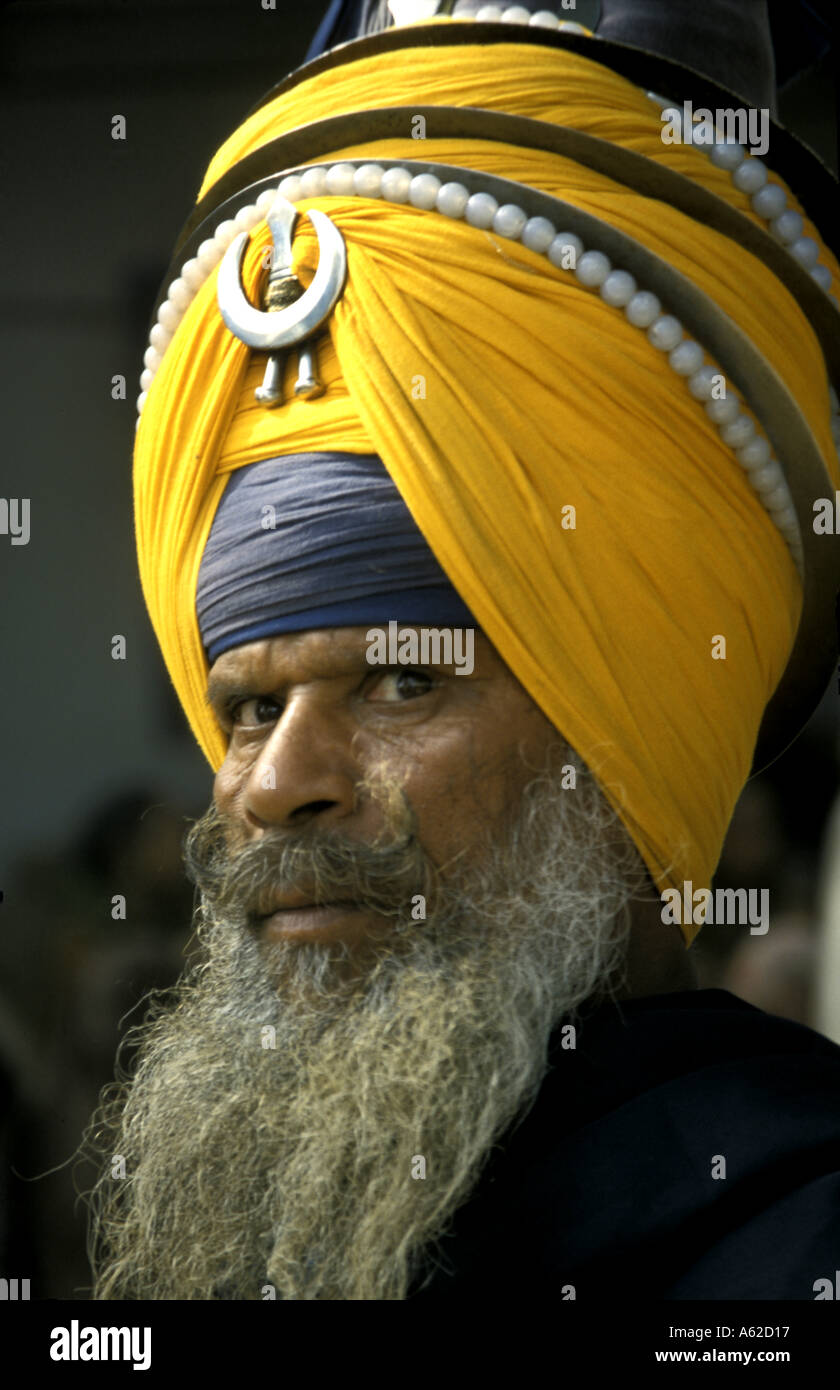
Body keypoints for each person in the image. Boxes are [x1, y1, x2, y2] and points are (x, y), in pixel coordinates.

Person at [83, 1, 840, 1300]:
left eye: (400, 680)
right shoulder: (259, 1233)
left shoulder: (796, 1233)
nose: (276, 785)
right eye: (250, 709)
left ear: (625, 731)